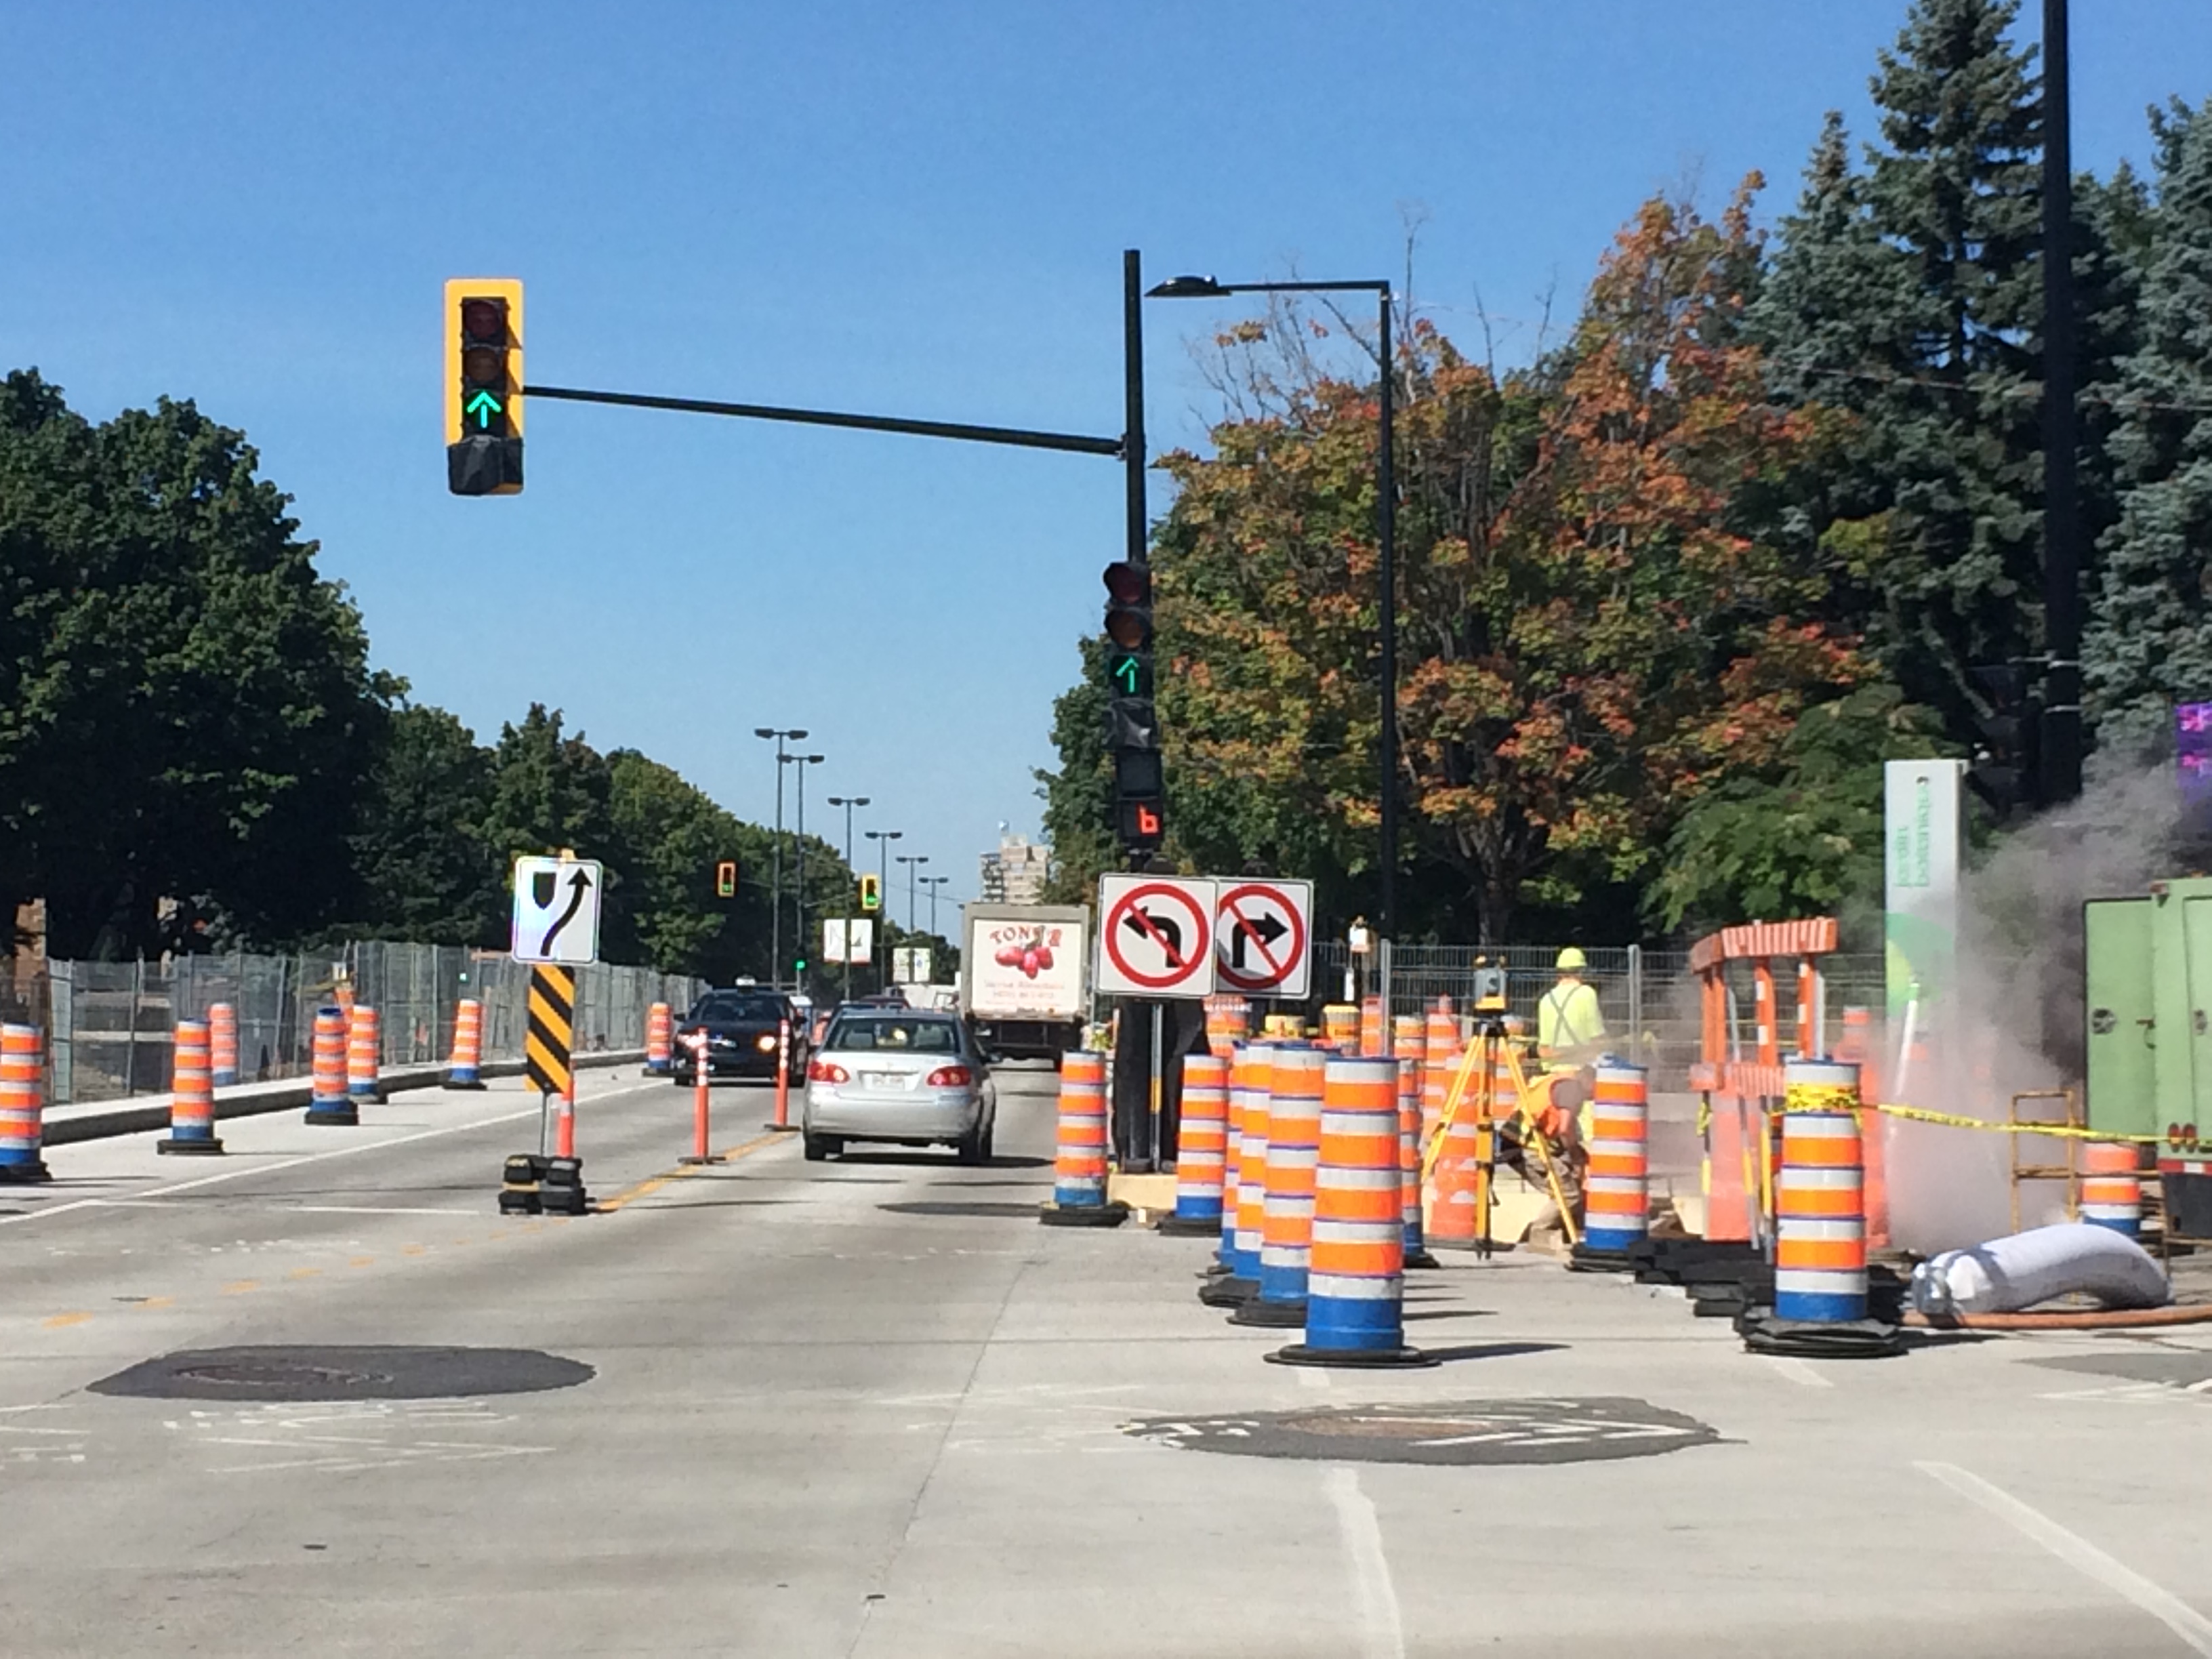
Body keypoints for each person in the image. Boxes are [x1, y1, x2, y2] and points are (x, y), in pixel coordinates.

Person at [1536, 947, 1608, 1069]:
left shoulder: (1546, 1000)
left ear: (1559, 973)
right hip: (1583, 1071)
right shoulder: (1587, 994)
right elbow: (1597, 1039)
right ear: (1581, 972)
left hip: (1554, 1075)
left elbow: (1544, 1048)